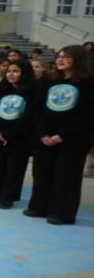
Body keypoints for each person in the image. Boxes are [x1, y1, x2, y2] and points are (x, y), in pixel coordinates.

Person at [25, 45, 93, 225]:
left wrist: (61, 135)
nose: (60, 60)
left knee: (66, 177)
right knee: (42, 174)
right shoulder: (48, 81)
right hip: (45, 137)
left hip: (72, 140)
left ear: (78, 60)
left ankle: (62, 213)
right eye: (59, 56)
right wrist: (43, 133)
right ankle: (39, 207)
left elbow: (86, 115)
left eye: (66, 57)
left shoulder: (89, 83)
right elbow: (37, 109)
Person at [0, 60, 36, 210]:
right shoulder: (1, 90)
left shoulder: (32, 93)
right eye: (9, 71)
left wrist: (9, 134)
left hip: (18, 138)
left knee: (14, 168)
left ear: (24, 74)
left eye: (16, 71)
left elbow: (28, 117)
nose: (11, 74)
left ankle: (7, 196)